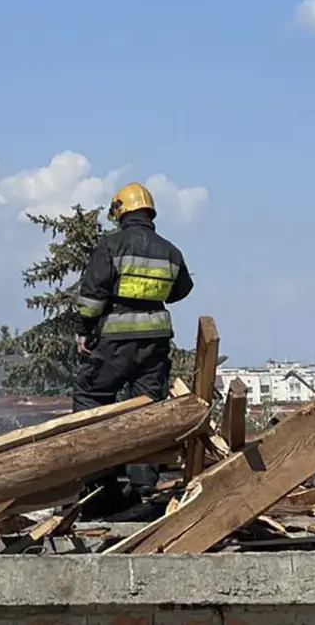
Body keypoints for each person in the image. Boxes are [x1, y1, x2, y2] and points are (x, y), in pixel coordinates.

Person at [72, 181, 194, 519]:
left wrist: (83, 329)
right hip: (155, 342)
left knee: (92, 398)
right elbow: (181, 290)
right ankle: (143, 490)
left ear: (120, 211)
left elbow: (93, 294)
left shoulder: (111, 245)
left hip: (115, 340)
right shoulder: (171, 251)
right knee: (147, 410)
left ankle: (101, 485)